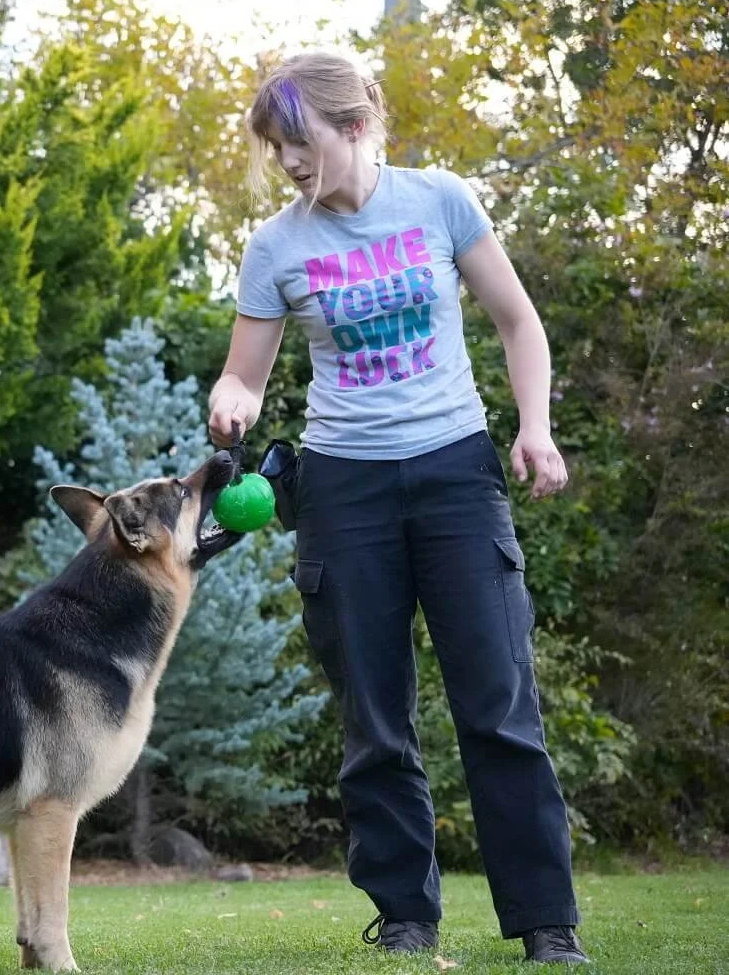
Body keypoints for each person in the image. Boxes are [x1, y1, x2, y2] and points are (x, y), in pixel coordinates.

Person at [207, 51, 588, 965]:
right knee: (374, 718)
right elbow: (243, 373)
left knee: (498, 706)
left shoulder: (439, 199)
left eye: (300, 143)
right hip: (344, 490)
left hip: (458, 474)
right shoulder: (277, 248)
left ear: (354, 124)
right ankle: (406, 915)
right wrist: (233, 401)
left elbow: (517, 319)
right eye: (277, 149)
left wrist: (533, 427)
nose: (291, 163)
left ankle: (546, 923)